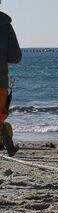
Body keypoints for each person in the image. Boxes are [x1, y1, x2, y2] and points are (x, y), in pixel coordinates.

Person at [0, 11, 22, 156]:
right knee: (0, 114)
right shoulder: (6, 26)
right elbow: (15, 57)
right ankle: (9, 146)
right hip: (0, 81)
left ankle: (9, 146)